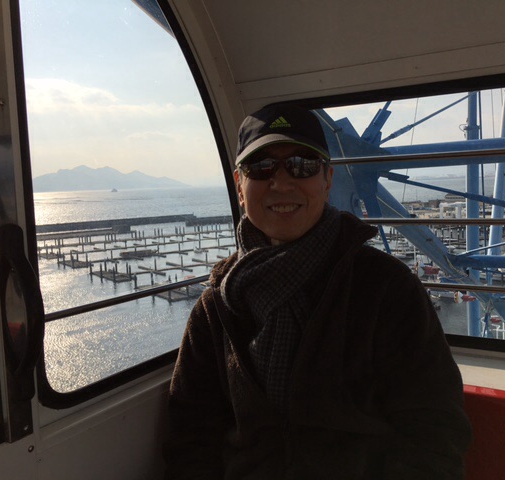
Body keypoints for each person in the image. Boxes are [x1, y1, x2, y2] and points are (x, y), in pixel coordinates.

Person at [164, 105, 472, 479]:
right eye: (261, 167)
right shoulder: (217, 304)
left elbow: (433, 430)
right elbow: (191, 430)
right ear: (239, 187)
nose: (281, 182)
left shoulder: (385, 289)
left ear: (327, 180)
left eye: (302, 164)